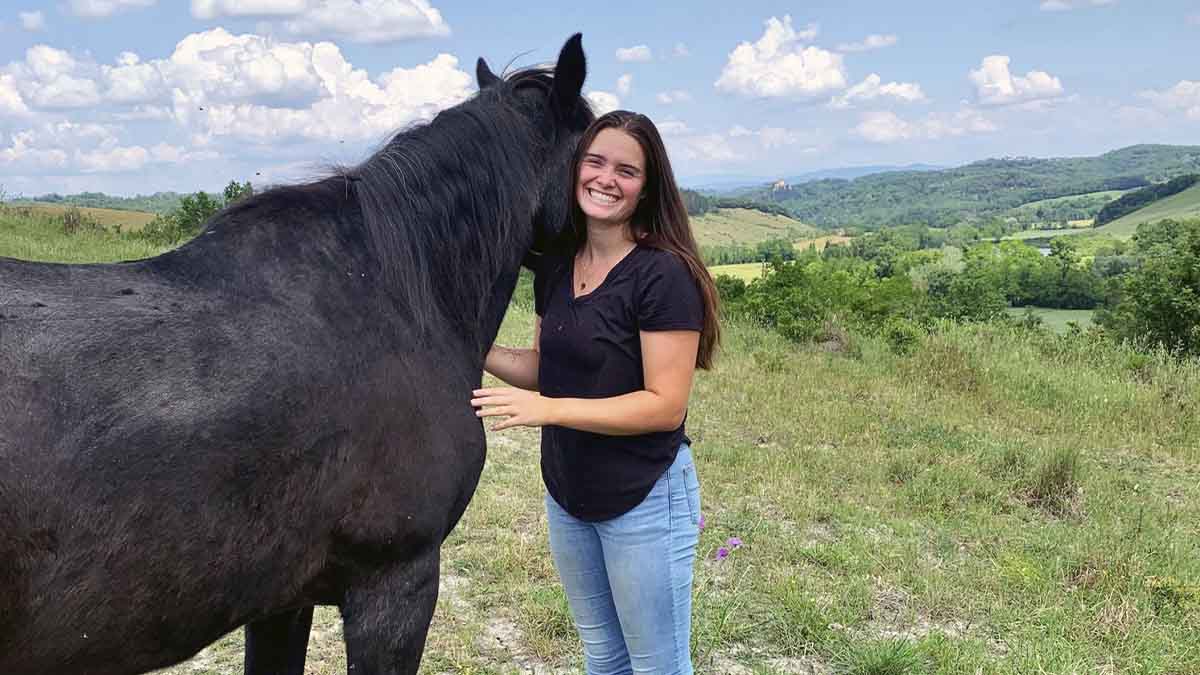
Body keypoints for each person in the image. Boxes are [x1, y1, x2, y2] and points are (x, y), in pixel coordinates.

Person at [470, 110, 721, 675]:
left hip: (645, 496)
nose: (606, 178)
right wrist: (469, 347)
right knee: (604, 658)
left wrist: (549, 410)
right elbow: (544, 367)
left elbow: (664, 405)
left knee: (657, 665)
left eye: (626, 170)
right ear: (575, 168)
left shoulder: (663, 275)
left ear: (646, 187)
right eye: (595, 161)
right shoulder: (557, 266)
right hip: (569, 495)